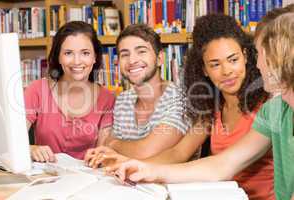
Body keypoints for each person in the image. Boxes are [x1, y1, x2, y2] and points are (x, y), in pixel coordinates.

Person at [107, 8, 294, 200]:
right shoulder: (269, 110)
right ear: (204, 69)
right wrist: (144, 168)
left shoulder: (270, 105)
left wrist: (122, 152)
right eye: (215, 64)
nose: (227, 71)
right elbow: (220, 165)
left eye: (233, 60)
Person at [84, 24, 191, 167]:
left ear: (159, 59)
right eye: (125, 54)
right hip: (129, 183)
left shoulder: (180, 98)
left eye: (141, 51)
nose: (132, 60)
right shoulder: (123, 99)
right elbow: (107, 152)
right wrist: (110, 149)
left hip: (170, 186)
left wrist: (113, 143)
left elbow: (147, 151)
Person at [24, 21, 115, 162]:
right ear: (58, 57)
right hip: (45, 177)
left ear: (95, 57)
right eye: (68, 53)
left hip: (88, 178)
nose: (77, 61)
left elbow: (102, 152)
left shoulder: (107, 99)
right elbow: (13, 141)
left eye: (85, 53)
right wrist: (30, 149)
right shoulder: (37, 90)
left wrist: (100, 157)